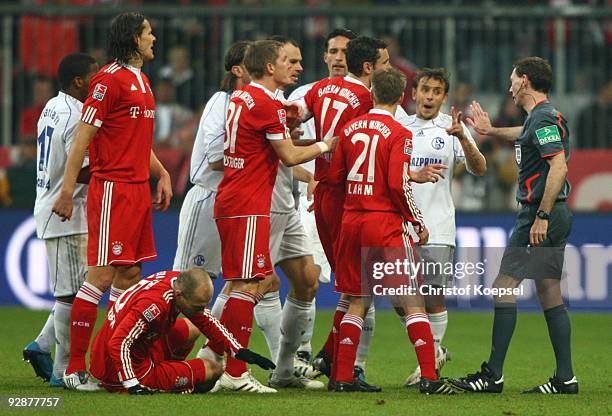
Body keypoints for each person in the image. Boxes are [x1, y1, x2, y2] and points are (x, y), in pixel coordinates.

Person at [52, 12, 173, 390]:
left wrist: (162, 172)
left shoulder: (142, 80)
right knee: (101, 276)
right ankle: (73, 370)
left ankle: (110, 365)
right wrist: (67, 191)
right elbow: (83, 138)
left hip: (137, 189)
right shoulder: (107, 80)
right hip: (112, 190)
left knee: (130, 275)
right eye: (148, 33)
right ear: (133, 39)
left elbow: (136, 137)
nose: (154, 38)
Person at [209, 39, 337, 393]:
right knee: (249, 284)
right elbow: (290, 157)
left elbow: (265, 137)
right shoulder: (265, 103)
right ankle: (231, 370)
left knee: (302, 278)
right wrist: (328, 144)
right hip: (250, 203)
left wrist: (288, 122)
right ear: (270, 66)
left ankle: (273, 369)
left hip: (244, 199)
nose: (294, 66)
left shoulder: (243, 97)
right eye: (287, 61)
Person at [449, 56, 577, 394]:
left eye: (513, 80)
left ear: (525, 82)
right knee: (549, 290)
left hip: (540, 211)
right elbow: (528, 133)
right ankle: (566, 379)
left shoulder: (544, 116)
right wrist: (491, 131)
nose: (509, 87)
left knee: (502, 287)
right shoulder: (542, 118)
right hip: (553, 211)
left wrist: (542, 215)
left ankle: (493, 374)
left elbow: (559, 166)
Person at [327, 67, 453, 395]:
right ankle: (430, 376)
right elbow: (398, 185)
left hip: (352, 222)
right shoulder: (399, 132)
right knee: (412, 300)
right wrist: (417, 222)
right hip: (384, 224)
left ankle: (342, 377)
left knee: (357, 300)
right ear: (401, 97)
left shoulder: (349, 128)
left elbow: (336, 178)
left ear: (371, 94)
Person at [401, 67, 486, 387]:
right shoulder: (399, 126)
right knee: (399, 297)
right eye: (425, 89)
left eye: (436, 91)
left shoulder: (453, 128)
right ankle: (432, 353)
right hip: (402, 225)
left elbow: (479, 169)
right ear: (414, 93)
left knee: (433, 296)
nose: (430, 96)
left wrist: (464, 138)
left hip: (438, 224)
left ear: (444, 97)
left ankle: (432, 359)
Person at [23, 53, 99, 388]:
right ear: (78, 82)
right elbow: (78, 170)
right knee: (71, 295)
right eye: (93, 75)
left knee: (81, 290)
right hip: (66, 211)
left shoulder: (53, 106)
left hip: (54, 206)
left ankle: (40, 346)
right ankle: (62, 371)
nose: (99, 81)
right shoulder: (78, 115)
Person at [287, 28, 357, 374]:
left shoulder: (365, 95)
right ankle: (302, 352)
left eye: (345, 51)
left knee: (357, 284)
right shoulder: (305, 95)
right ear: (325, 56)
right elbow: (283, 150)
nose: (339, 57)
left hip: (350, 200)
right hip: (311, 199)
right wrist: (312, 177)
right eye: (333, 51)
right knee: (310, 278)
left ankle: (351, 361)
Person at [90, 269, 275, 394]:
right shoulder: (154, 305)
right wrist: (132, 384)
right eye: (197, 306)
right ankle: (166, 382)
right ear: (179, 296)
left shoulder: (176, 282)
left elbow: (206, 321)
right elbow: (118, 343)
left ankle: (166, 371)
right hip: (121, 369)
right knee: (213, 369)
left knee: (193, 327)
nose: (200, 311)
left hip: (137, 347)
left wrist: (239, 350)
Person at [172, 40, 251, 279]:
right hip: (208, 196)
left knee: (232, 281)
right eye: (254, 60)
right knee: (188, 282)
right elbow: (216, 160)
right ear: (237, 70)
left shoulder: (255, 105)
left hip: (236, 200)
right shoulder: (221, 101)